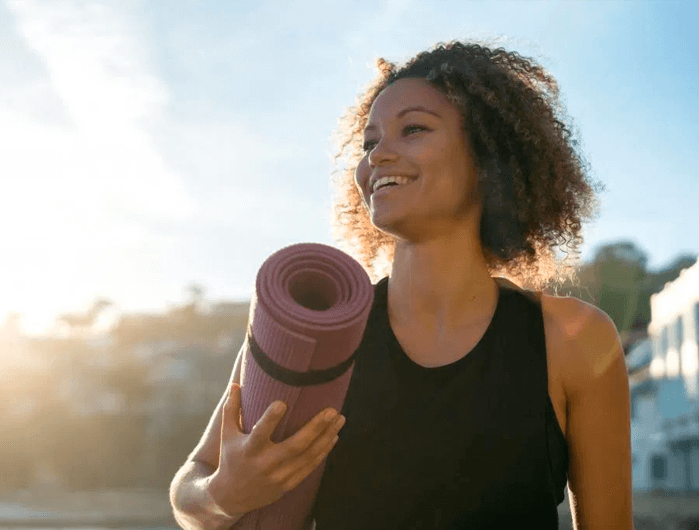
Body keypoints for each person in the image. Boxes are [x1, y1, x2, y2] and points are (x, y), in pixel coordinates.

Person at [169, 41, 632, 529]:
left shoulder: (575, 339)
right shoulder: (317, 328)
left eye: (413, 129)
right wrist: (223, 494)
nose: (379, 156)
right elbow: (192, 486)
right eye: (370, 143)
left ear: (488, 154)